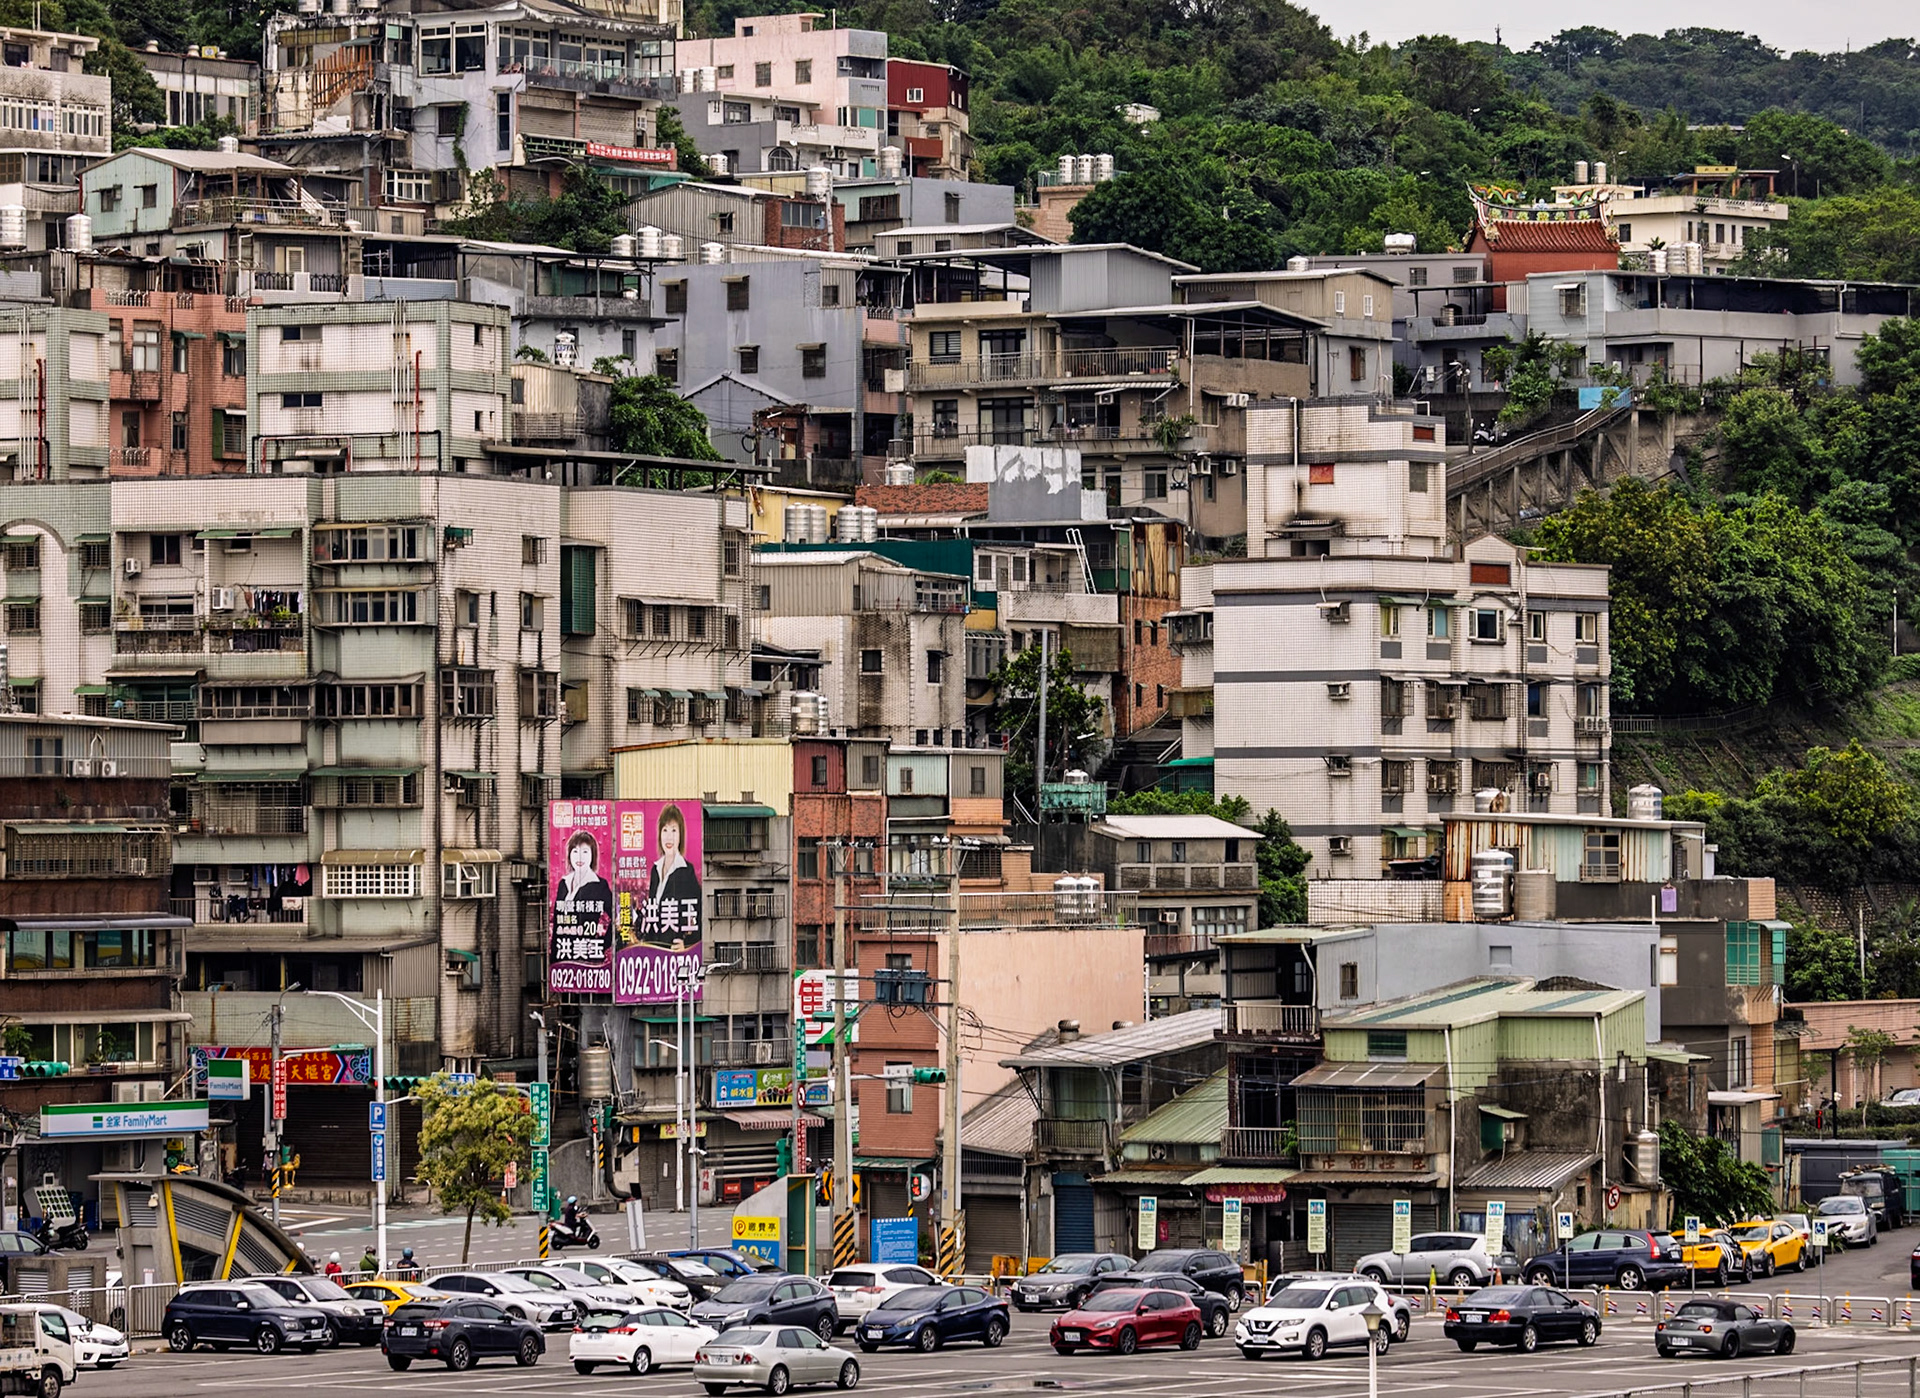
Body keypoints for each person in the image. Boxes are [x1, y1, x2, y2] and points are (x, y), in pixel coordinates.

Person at [641, 804, 702, 950]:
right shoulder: (655, 870)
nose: (669, 837)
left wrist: (689, 943)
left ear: (681, 835)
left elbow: (700, 912)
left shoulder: (686, 871)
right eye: (665, 830)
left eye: (674, 830)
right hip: (655, 949)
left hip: (674, 952)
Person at [553, 830, 614, 965]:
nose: (579, 857)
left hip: (587, 956)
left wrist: (602, 944)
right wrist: (554, 961)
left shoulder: (599, 885)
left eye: (585, 852)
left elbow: (618, 917)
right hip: (563, 953)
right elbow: (557, 923)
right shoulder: (564, 883)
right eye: (575, 851)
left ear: (593, 856)